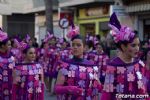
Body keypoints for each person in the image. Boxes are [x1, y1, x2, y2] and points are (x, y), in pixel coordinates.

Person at [101, 13, 148, 100]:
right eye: (133, 45)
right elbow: (106, 94)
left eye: (138, 45)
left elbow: (143, 90)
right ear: (123, 46)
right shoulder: (113, 66)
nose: (137, 48)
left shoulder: (139, 64)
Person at [54, 25, 102, 100]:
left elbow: (98, 86)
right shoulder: (65, 66)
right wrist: (69, 89)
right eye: (73, 45)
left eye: (78, 45)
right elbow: (57, 88)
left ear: (85, 47)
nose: (75, 47)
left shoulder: (91, 66)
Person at [0, 29, 15, 100]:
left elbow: (15, 70)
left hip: (10, 85)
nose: (10, 46)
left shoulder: (12, 57)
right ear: (2, 46)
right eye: (8, 45)